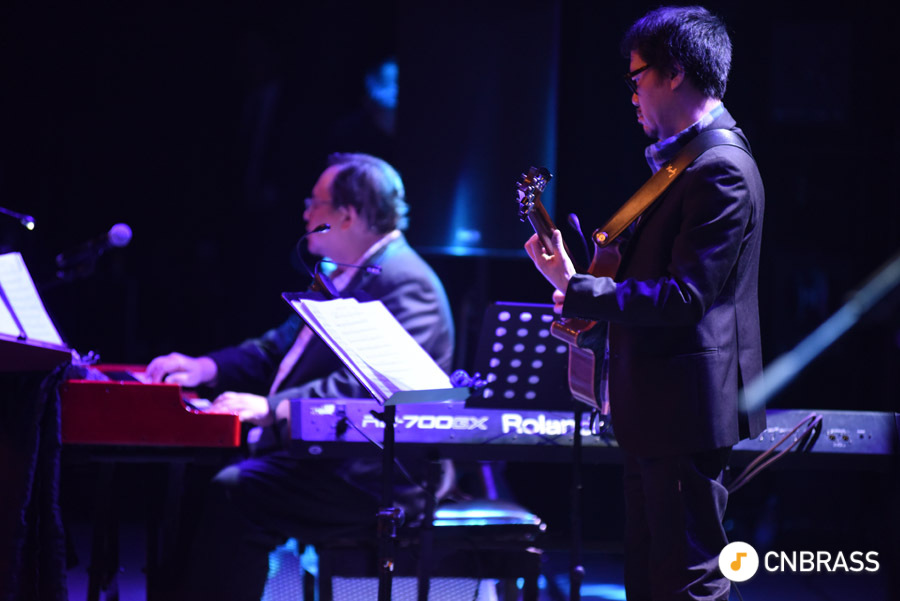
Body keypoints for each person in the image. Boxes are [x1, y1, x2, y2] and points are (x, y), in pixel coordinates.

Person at [524, 6, 765, 601]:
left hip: (683, 412)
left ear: (674, 72)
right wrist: (573, 279)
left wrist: (579, 288)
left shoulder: (720, 168)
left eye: (637, 78)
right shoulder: (686, 162)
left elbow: (685, 297)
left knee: (688, 578)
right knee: (649, 575)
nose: (631, 96)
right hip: (658, 408)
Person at [146, 152, 455, 600]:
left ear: (347, 215)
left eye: (315, 203)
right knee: (195, 479)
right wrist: (206, 367)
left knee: (236, 492)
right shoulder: (344, 273)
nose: (306, 214)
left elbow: (372, 382)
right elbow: (278, 348)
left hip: (374, 473)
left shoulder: (406, 280)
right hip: (331, 456)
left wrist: (272, 408)